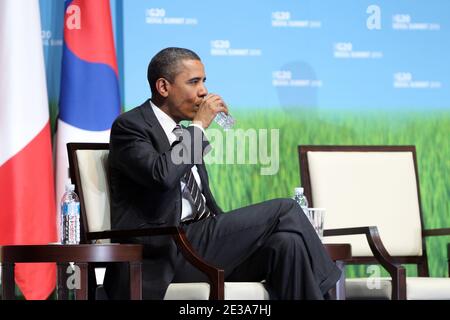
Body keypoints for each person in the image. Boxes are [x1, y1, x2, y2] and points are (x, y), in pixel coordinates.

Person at [103, 47, 341, 300]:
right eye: (194, 82)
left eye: (204, 81)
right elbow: (162, 175)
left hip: (201, 243)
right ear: (163, 87)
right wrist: (199, 127)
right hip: (168, 251)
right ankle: (330, 291)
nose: (204, 91)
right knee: (286, 209)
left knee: (287, 245)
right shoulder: (131, 126)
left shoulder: (184, 134)